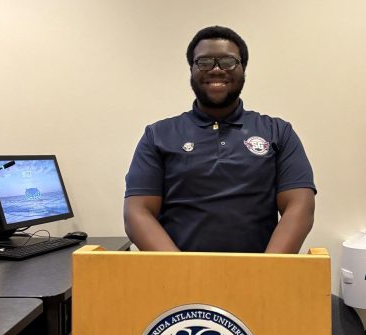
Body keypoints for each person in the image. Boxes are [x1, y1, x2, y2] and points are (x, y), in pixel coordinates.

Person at [124, 25, 316, 253]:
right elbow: (137, 212)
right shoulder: (157, 135)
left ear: (243, 68)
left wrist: (266, 274)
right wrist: (183, 273)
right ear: (191, 70)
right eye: (204, 62)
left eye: (228, 62)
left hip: (259, 280)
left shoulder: (278, 132)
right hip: (178, 282)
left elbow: (300, 206)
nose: (216, 70)